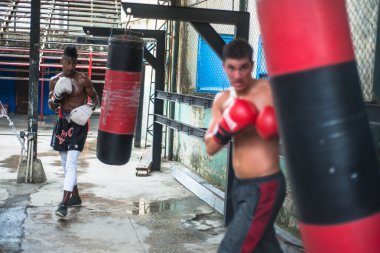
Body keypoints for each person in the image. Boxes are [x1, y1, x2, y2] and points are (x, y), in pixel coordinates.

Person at [204, 39, 285, 252]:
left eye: (243, 68)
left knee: (232, 247)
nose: (237, 75)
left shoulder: (269, 92)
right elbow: (210, 147)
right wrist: (226, 126)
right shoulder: (222, 100)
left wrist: (276, 125)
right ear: (224, 67)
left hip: (265, 186)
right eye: (231, 68)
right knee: (263, 245)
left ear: (251, 64)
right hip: (240, 187)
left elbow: (299, 123)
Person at [48, 45, 99, 218]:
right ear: (61, 61)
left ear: (76, 62)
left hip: (78, 124)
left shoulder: (83, 80)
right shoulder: (54, 80)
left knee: (71, 164)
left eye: (73, 63)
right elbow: (51, 105)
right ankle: (75, 196)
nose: (70, 67)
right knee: (65, 164)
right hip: (62, 122)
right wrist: (57, 96)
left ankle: (63, 204)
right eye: (67, 63)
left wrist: (88, 109)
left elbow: (95, 98)